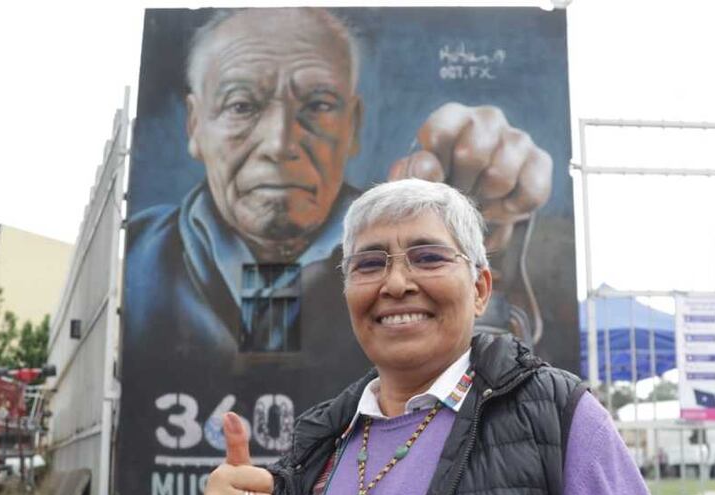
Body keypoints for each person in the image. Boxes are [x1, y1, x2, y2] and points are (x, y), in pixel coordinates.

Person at [184, 180, 700, 495]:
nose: (396, 283)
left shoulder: (561, 421)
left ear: (479, 288)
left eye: (428, 257)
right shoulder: (316, 447)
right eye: (369, 264)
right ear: (347, 292)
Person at [125, 7, 552, 364]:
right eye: (241, 105)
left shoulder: (412, 248)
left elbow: (494, 381)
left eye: (317, 106)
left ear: (353, 126)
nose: (280, 144)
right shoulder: (138, 259)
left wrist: (488, 239)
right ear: (195, 125)